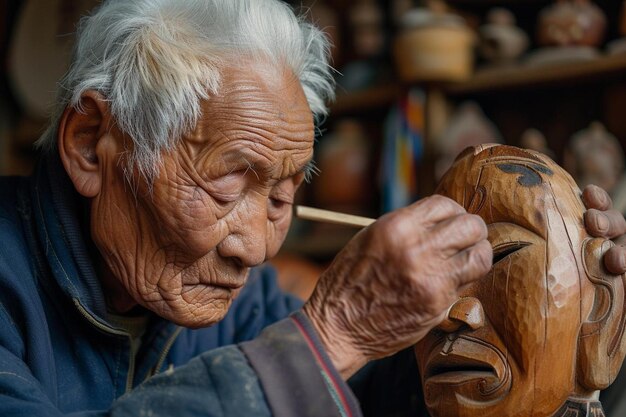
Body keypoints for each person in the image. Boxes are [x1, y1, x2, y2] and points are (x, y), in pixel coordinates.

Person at [0, 1, 624, 416]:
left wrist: (533, 322)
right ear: (91, 144)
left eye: (281, 195)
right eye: (228, 182)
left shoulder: (237, 301)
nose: (257, 246)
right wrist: (331, 337)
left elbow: (366, 402)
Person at [415, 145, 626, 417]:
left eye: (500, 257)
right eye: (430, 270)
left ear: (602, 305)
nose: (443, 313)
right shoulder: (386, 382)